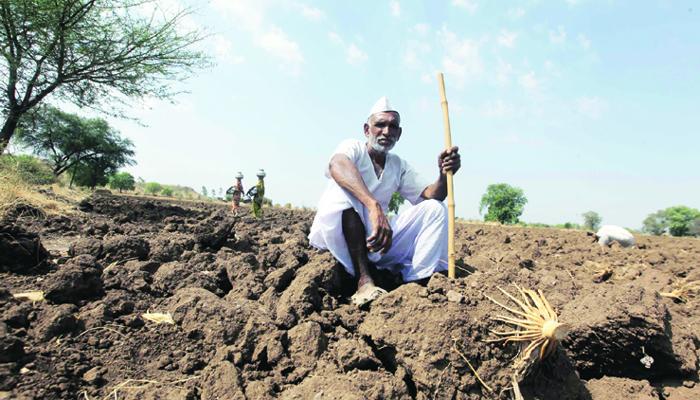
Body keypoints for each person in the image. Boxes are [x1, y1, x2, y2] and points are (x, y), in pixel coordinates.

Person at [308, 96, 461, 306]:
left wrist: (444, 174)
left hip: (377, 239)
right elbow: (337, 165)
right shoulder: (352, 148)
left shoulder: (397, 165)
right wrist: (373, 205)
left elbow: (430, 195)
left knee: (435, 209)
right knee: (342, 192)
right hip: (340, 236)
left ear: (399, 133)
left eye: (392, 127)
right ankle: (364, 281)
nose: (386, 132)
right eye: (380, 125)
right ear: (366, 129)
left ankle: (418, 280)